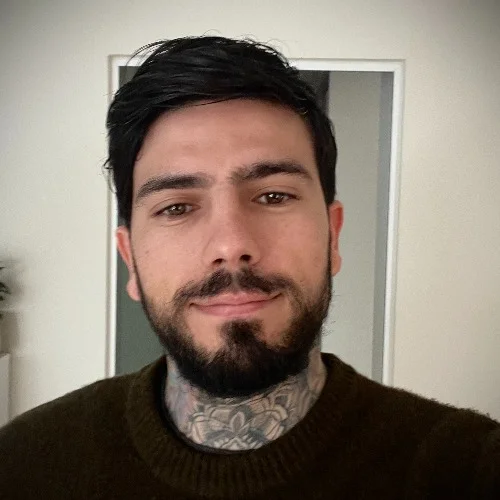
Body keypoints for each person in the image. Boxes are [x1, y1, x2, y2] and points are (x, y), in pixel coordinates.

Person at [0, 36, 499, 499]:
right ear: (130, 257)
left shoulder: (469, 469)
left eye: (273, 195)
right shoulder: (24, 467)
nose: (232, 245)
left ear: (333, 236)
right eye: (177, 207)